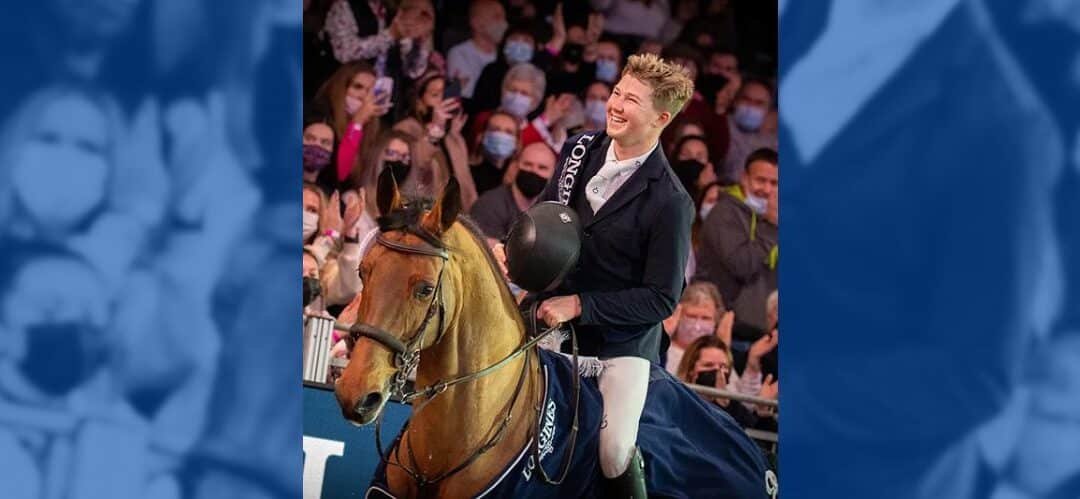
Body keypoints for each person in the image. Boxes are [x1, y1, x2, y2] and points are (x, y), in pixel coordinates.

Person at [527, 53, 696, 497]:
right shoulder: (578, 149)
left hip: (620, 345)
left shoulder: (671, 202)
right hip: (546, 314)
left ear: (661, 117)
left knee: (614, 450)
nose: (616, 105)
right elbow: (545, 216)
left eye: (631, 100)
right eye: (617, 92)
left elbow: (662, 299)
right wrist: (516, 248)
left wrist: (582, 305)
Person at [695, 147, 777, 332]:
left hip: (766, 328)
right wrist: (771, 227)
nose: (767, 189)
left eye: (775, 183)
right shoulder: (724, 212)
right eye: (760, 180)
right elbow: (742, 266)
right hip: (728, 327)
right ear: (744, 177)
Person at [393, 72, 478, 209]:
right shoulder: (406, 129)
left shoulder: (453, 137)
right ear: (419, 101)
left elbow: (467, 185)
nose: (442, 100)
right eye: (435, 95)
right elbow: (415, 166)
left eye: (445, 94)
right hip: (421, 211)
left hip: (458, 216)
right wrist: (434, 131)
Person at [311, 61, 390, 183]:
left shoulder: (375, 127)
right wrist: (357, 123)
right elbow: (340, 173)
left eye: (370, 91)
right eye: (358, 87)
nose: (364, 96)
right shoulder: (320, 116)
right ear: (341, 88)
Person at [323, 0, 434, 78]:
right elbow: (344, 53)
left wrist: (420, 42)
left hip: (390, 98)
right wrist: (390, 36)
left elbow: (412, 71)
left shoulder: (394, 11)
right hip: (353, 96)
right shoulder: (344, 6)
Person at [469, 141, 556, 241]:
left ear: (552, 174)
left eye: (542, 168)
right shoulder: (490, 205)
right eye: (527, 164)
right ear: (516, 166)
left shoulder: (552, 211)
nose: (533, 171)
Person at [661, 282, 732, 374]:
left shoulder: (719, 359)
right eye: (692, 316)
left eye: (705, 318)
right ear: (678, 315)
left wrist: (724, 350)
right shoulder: (662, 351)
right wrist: (662, 339)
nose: (697, 326)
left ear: (716, 321)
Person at [446, 0, 508, 100]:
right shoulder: (460, 53)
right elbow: (467, 95)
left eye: (504, 18)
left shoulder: (505, 53)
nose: (504, 23)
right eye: (497, 17)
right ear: (476, 24)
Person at [721, 78, 777, 184]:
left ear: (768, 109)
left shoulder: (773, 142)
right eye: (746, 99)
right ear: (735, 101)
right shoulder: (720, 126)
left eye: (759, 103)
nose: (751, 106)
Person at [469, 110, 521, 195]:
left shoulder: (519, 178)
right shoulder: (468, 173)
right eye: (495, 130)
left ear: (517, 143)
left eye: (509, 132)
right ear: (482, 136)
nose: (502, 135)